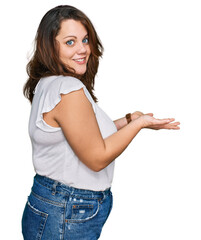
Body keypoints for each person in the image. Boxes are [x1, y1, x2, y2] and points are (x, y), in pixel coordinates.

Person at [21, 5, 180, 240]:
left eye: (85, 40)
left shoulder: (49, 83)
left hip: (55, 204)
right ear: (49, 46)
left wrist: (129, 120)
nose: (83, 49)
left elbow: (83, 135)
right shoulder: (68, 89)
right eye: (70, 42)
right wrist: (140, 124)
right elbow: (96, 157)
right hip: (68, 209)